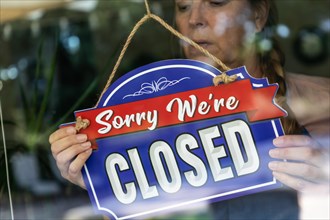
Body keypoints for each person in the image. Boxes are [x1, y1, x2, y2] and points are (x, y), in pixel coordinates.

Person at [49, 0, 329, 219]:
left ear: (258, 16)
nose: (194, 20)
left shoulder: (319, 102)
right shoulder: (149, 121)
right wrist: (98, 177)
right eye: (183, 7)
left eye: (216, 3)